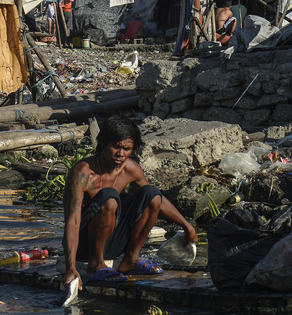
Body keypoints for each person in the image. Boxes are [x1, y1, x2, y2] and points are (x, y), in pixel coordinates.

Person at [63, 117, 196, 287]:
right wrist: (71, 267)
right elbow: (73, 220)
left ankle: (130, 260)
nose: (121, 154)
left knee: (152, 194)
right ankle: (96, 264)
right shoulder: (83, 172)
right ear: (103, 144)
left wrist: (187, 226)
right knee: (109, 198)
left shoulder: (130, 168)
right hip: (84, 246)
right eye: (116, 147)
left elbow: (157, 201)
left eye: (126, 149)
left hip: (112, 241)